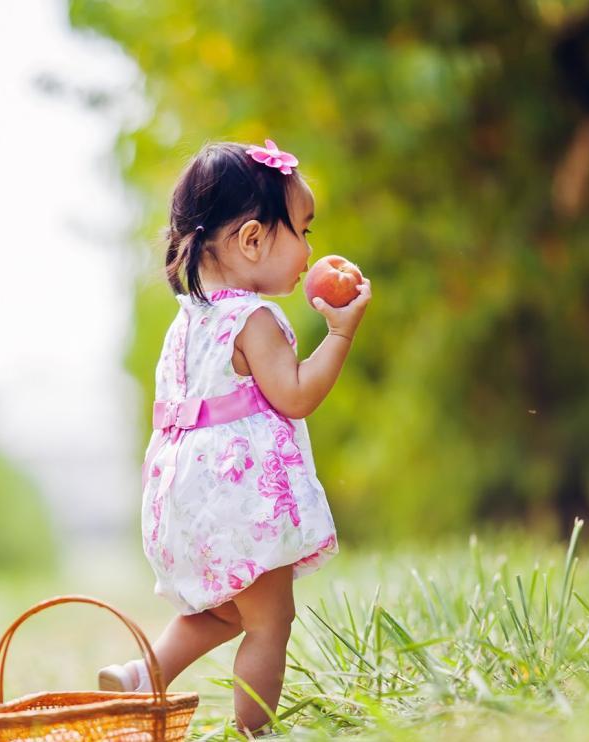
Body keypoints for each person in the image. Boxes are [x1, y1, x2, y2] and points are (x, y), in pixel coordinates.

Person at [98, 139, 372, 735]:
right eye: (303, 230)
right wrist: (341, 336)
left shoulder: (187, 321)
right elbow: (295, 394)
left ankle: (140, 675)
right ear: (252, 240)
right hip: (240, 500)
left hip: (183, 500)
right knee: (270, 622)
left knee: (222, 612)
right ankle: (254, 732)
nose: (310, 250)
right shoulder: (253, 319)